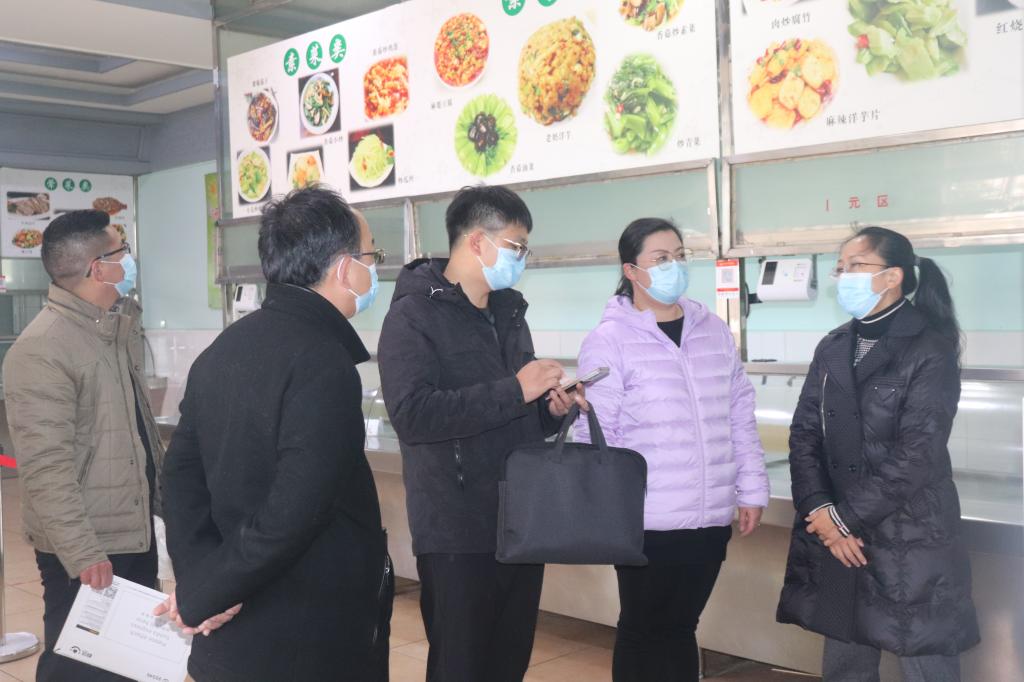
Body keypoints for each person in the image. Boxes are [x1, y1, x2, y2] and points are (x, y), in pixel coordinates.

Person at [157, 187, 393, 681]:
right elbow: (295, 512)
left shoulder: (224, 348)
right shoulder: (324, 362)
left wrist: (204, 580)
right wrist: (207, 591)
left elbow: (179, 477)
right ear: (344, 268)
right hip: (307, 631)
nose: (375, 270)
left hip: (236, 630)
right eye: (372, 256)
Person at [377, 185, 585, 682]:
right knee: (461, 664)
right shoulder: (413, 315)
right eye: (516, 246)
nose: (522, 258)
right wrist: (516, 389)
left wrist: (553, 410)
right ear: (476, 241)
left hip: (520, 516)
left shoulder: (509, 311)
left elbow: (519, 411)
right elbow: (413, 415)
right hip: (456, 524)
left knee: (509, 660)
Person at [776, 226, 979, 681]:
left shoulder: (929, 347)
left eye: (855, 265)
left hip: (908, 533)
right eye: (840, 268)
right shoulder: (833, 345)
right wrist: (821, 511)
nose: (843, 276)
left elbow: (918, 452)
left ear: (893, 276)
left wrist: (844, 520)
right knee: (845, 663)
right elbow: (804, 433)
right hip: (839, 532)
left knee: (924, 658)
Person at [574, 218, 769, 682]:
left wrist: (752, 489)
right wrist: (608, 512)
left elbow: (739, 415)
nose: (674, 266)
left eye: (679, 256)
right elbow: (597, 434)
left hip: (708, 516)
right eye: (660, 258)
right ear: (631, 271)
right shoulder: (609, 339)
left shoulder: (712, 330)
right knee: (642, 629)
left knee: (682, 627)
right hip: (646, 521)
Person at [3, 209, 161, 681]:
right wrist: (82, 551)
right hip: (89, 546)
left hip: (131, 530)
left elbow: (135, 434)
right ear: (98, 268)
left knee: (129, 663)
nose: (129, 260)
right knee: (78, 667)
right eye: (121, 252)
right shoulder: (43, 348)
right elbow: (46, 466)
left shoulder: (113, 331)